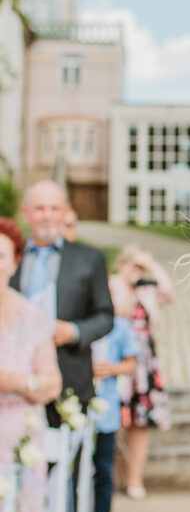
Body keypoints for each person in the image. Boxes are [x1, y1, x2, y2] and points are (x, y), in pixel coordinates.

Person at [11, 181, 114, 427]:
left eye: (54, 209)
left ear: (65, 211)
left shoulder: (89, 259)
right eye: (39, 208)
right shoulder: (10, 257)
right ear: (26, 212)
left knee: (67, 462)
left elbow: (105, 316)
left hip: (70, 379)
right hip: (16, 381)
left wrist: (73, 331)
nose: (47, 216)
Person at [0, 218, 62, 512]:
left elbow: (52, 385)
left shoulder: (33, 316)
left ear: (14, 262)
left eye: (0, 256)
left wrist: (14, 381)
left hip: (20, 441)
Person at [108, 245, 174, 499]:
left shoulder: (148, 290)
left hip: (144, 363)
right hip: (119, 358)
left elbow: (168, 292)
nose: (137, 271)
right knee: (114, 421)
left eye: (140, 268)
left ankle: (135, 477)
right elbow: (119, 312)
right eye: (132, 265)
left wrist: (151, 265)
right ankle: (110, 477)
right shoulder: (113, 285)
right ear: (121, 265)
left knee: (140, 421)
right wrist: (127, 281)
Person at [90, 316, 137, 512]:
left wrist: (112, 368)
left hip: (106, 413)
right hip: (74, 411)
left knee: (104, 473)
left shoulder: (120, 326)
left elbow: (131, 363)